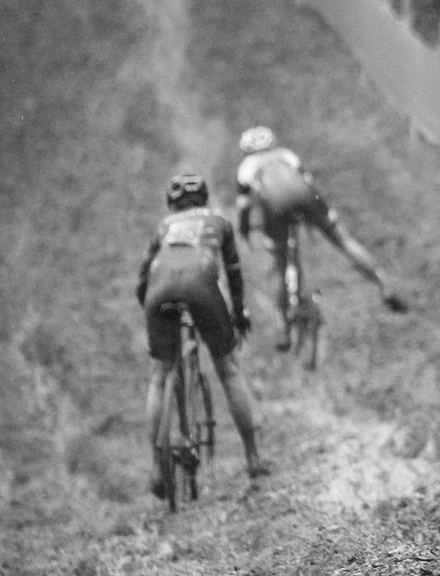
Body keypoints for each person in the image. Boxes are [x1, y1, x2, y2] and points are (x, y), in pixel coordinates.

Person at [137, 174, 269, 493]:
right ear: (204, 200)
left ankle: (157, 469)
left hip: (159, 291)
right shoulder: (218, 222)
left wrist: (154, 313)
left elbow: (142, 281)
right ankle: (252, 457)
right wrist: (239, 314)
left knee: (158, 377)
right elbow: (233, 274)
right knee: (228, 370)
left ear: (172, 203)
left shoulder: (164, 227)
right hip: (201, 287)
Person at [235, 126, 407, 352]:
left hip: (275, 206)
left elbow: (244, 206)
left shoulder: (246, 167)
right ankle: (383, 284)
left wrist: (245, 230)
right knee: (343, 240)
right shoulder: (287, 155)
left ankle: (281, 325)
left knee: (279, 262)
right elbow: (308, 184)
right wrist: (325, 210)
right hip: (306, 197)